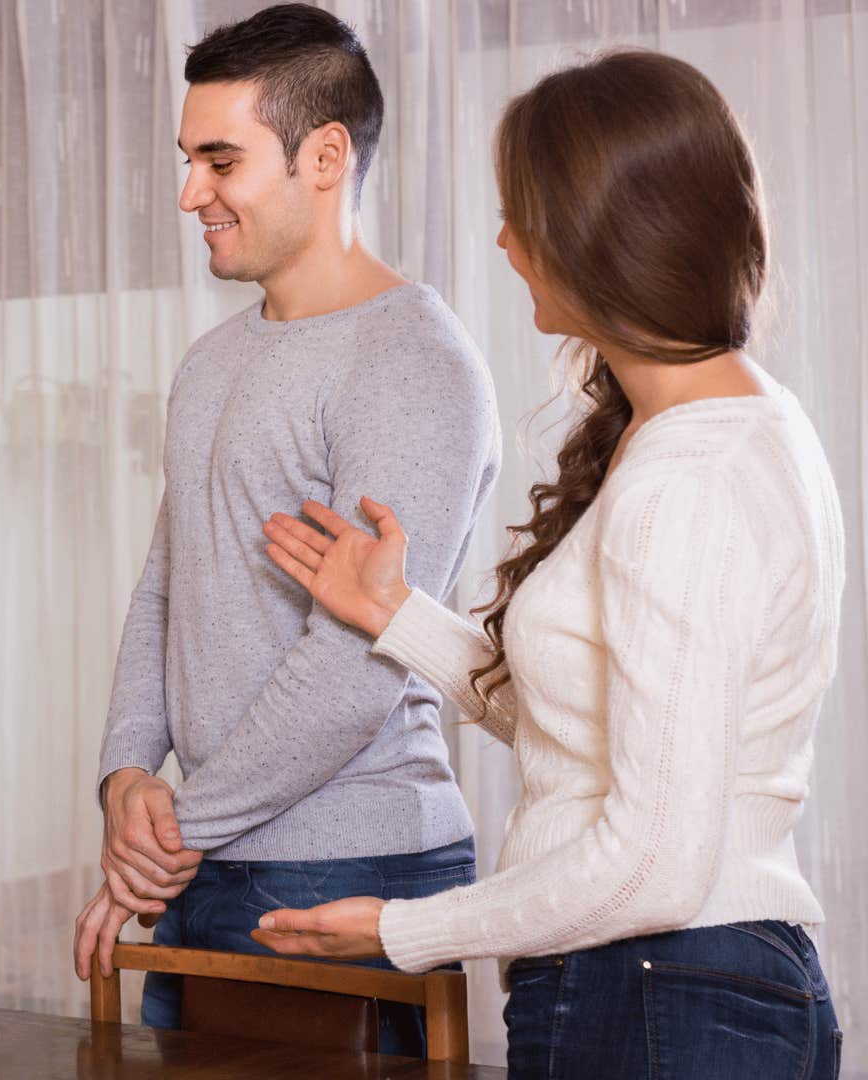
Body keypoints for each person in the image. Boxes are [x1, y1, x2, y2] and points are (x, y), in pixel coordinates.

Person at [254, 50, 845, 1077]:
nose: (502, 241)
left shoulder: (688, 481)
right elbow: (602, 733)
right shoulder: (724, 433)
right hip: (675, 993)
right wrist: (398, 615)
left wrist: (407, 930)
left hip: (655, 988)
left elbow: (658, 863)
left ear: (594, 236)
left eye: (519, 215)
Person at [70, 3, 500, 1055]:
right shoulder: (212, 362)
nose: (190, 193)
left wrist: (169, 837)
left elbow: (357, 663)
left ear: (324, 155)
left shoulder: (413, 363)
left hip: (348, 873)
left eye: (221, 160)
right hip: (207, 861)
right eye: (188, 159)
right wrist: (127, 778)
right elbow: (165, 589)